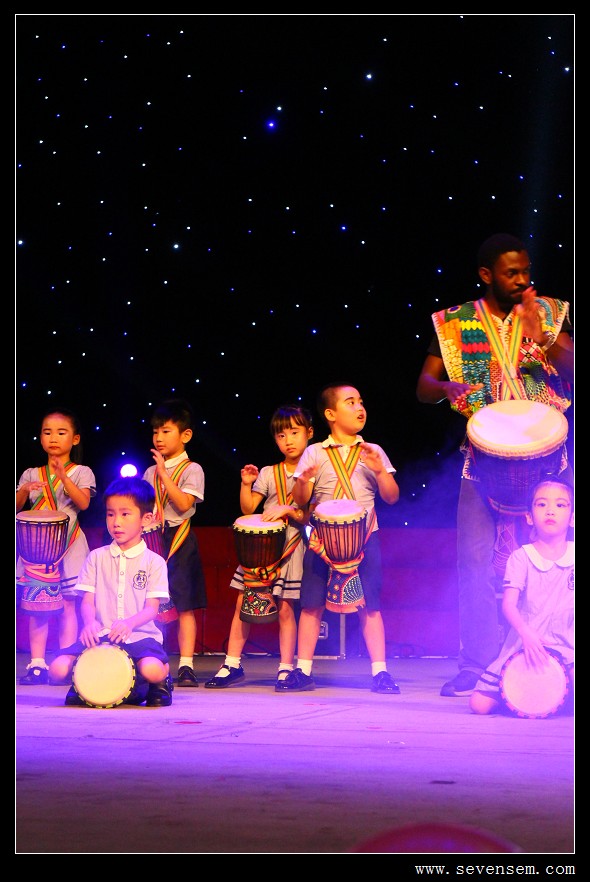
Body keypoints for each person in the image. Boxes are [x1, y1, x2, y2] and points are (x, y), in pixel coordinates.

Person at [416, 233, 574, 697]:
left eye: (526, 270)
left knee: (559, 562)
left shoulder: (549, 313)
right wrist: (444, 389)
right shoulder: (456, 322)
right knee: (474, 563)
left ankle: (560, 658)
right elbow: (424, 386)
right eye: (511, 273)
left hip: (547, 460)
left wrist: (542, 338)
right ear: (486, 275)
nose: (522, 279)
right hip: (482, 461)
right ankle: (477, 664)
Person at [277, 383, 401, 694]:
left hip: (364, 539)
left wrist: (380, 472)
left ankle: (380, 672)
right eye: (350, 402)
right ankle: (303, 670)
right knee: (311, 604)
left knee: (370, 605)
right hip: (322, 541)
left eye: (361, 401)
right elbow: (300, 500)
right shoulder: (314, 452)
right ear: (331, 414)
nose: (360, 407)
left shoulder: (373, 450)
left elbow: (391, 497)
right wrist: (303, 481)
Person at [205, 405, 314, 691]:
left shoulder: (315, 471)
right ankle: (231, 664)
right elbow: (248, 508)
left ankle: (286, 668)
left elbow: (310, 515)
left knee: (286, 609)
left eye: (294, 433)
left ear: (309, 433)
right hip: (260, 550)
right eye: (281, 435)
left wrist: (288, 510)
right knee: (243, 604)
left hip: (291, 548)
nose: (288, 440)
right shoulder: (269, 472)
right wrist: (246, 484)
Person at [48, 477, 173, 707]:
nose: (116, 522)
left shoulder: (154, 562)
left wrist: (129, 623)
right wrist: (89, 623)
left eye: (125, 514)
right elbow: (88, 601)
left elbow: (151, 609)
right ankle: (84, 683)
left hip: (140, 637)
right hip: (102, 635)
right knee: (56, 669)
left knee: (152, 670)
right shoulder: (96, 557)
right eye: (110, 514)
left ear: (146, 519)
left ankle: (161, 681)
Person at [469, 477, 574, 715]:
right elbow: (508, 605)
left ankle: (558, 697)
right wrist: (526, 634)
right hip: (528, 642)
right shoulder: (521, 557)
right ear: (529, 516)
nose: (550, 510)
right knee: (479, 705)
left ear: (572, 518)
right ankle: (533, 698)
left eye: (560, 505)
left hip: (568, 645)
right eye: (541, 504)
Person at [16, 408, 97, 685]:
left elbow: (83, 503)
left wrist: (64, 477)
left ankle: (66, 660)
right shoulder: (31, 473)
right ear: (40, 438)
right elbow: (18, 508)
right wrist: (23, 491)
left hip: (70, 546)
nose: (53, 438)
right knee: (36, 606)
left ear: (75, 439)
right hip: (37, 551)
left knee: (68, 604)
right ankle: (37, 663)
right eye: (47, 432)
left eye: (61, 432)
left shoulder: (82, 472)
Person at [142, 398, 207, 687]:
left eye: (166, 431)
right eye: (155, 431)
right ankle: (156, 659)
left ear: (185, 435)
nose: (158, 437)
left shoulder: (192, 469)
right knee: (154, 603)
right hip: (152, 540)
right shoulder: (149, 472)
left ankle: (186, 665)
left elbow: (182, 504)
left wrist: (164, 475)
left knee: (184, 605)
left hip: (180, 540)